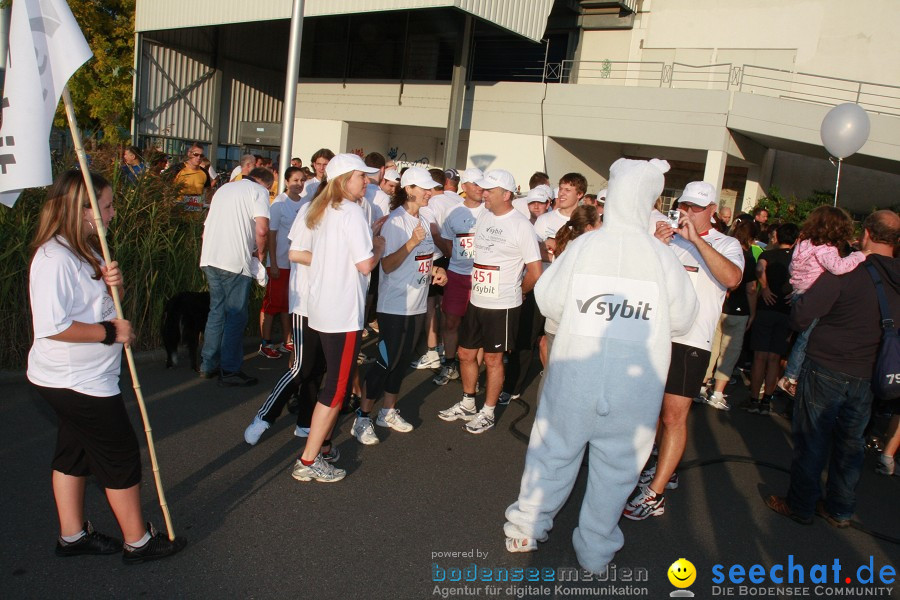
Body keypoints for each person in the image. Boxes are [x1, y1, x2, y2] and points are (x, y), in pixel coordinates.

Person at [503, 158, 698, 572]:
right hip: (633, 387)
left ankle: (526, 526)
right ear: (649, 199)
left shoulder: (586, 246)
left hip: (576, 375)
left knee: (553, 452)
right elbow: (683, 317)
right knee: (618, 468)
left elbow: (549, 299)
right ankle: (595, 547)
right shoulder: (661, 257)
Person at [27, 170, 186, 564]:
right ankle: (138, 541)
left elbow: (97, 301)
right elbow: (54, 326)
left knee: (74, 452)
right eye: (107, 206)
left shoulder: (84, 248)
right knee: (119, 455)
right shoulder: (54, 258)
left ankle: (72, 535)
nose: (113, 213)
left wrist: (113, 280)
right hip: (75, 380)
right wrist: (108, 332)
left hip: (82, 376)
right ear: (81, 210)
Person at [766, 210, 899, 527]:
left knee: (813, 438)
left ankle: (801, 505)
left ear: (866, 233)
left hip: (827, 363)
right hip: (871, 371)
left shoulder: (849, 269)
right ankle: (839, 508)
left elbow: (801, 317)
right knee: (851, 443)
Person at [624, 180, 743, 519]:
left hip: (692, 341)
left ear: (712, 212)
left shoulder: (726, 243)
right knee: (654, 412)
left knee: (674, 416)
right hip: (657, 336)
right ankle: (665, 467)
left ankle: (655, 493)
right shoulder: (669, 238)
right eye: (685, 206)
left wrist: (697, 241)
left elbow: (733, 279)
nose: (687, 212)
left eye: (695, 208)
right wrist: (656, 247)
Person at [289, 154, 385, 482]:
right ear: (345, 180)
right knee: (336, 388)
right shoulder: (352, 213)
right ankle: (309, 459)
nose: (367, 181)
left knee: (331, 382)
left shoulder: (320, 209)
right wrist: (379, 245)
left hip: (321, 309)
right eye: (361, 176)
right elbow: (365, 265)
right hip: (343, 313)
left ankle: (323, 447)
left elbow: (304, 253)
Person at [437, 169, 542, 434]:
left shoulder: (521, 225)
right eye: (483, 189)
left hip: (503, 305)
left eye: (489, 191)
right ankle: (468, 402)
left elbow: (535, 271)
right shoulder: (484, 215)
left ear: (506, 195)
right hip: (476, 299)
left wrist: (519, 291)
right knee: (465, 353)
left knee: (494, 360)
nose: (484, 194)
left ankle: (488, 411)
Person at [353, 167, 446, 445]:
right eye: (425, 188)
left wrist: (435, 272)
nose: (430, 192)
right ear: (409, 189)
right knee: (385, 362)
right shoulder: (396, 222)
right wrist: (411, 243)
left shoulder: (424, 217)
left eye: (432, 188)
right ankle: (362, 417)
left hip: (417, 304)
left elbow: (423, 258)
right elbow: (388, 266)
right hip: (394, 305)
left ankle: (388, 411)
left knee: (402, 362)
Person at [776, 206, 866, 397]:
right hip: (813, 295)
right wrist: (859, 255)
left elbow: (792, 267)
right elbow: (839, 267)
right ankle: (790, 376)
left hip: (800, 291)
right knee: (806, 340)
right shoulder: (826, 249)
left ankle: (791, 374)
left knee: (800, 338)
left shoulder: (804, 243)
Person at [198, 167, 272, 386]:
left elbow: (205, 230)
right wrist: (260, 255)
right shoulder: (258, 192)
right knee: (236, 315)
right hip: (235, 261)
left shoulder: (224, 190)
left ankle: (208, 364)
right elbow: (262, 230)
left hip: (210, 257)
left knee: (216, 312)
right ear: (264, 183)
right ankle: (230, 368)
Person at [695, 218, 758, 411]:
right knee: (729, 353)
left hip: (719, 307)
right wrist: (753, 313)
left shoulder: (721, 249)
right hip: (739, 311)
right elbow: (751, 288)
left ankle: (701, 385)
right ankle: (718, 393)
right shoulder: (747, 257)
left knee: (712, 348)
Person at [433, 168, 485, 386]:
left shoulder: (489, 210)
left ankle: (476, 373)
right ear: (464, 187)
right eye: (475, 184)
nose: (480, 188)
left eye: (482, 184)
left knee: (480, 325)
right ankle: (450, 363)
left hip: (482, 276)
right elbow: (445, 240)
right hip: (457, 273)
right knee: (452, 321)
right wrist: (454, 254)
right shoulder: (454, 211)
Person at [746, 222, 799, 415]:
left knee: (759, 356)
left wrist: (765, 287)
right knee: (775, 359)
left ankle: (753, 399)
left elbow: (760, 269)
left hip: (766, 308)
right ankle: (767, 401)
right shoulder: (798, 259)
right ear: (795, 240)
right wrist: (794, 292)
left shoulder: (767, 254)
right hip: (786, 310)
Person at [258, 166, 308, 359]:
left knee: (289, 303)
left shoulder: (305, 204)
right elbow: (272, 234)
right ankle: (266, 342)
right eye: (295, 180)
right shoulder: (279, 204)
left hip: (296, 263)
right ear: (287, 182)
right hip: (279, 262)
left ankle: (288, 340)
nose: (299, 184)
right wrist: (274, 263)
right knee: (272, 304)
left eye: (302, 180)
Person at [169, 142, 212, 211]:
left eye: (201, 155)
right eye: (196, 154)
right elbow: (164, 185)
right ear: (189, 154)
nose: (198, 158)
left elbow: (208, 191)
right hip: (178, 211)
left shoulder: (204, 173)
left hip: (196, 213)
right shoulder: (177, 168)